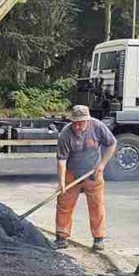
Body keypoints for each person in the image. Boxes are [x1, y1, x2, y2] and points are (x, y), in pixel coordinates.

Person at [54, 104, 117, 252]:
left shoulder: (97, 127)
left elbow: (112, 143)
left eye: (81, 123)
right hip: (72, 172)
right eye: (75, 123)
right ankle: (61, 237)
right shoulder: (66, 133)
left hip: (93, 173)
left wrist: (102, 165)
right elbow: (61, 160)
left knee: (97, 205)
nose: (77, 126)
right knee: (64, 204)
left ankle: (98, 238)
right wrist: (61, 182)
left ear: (87, 120)